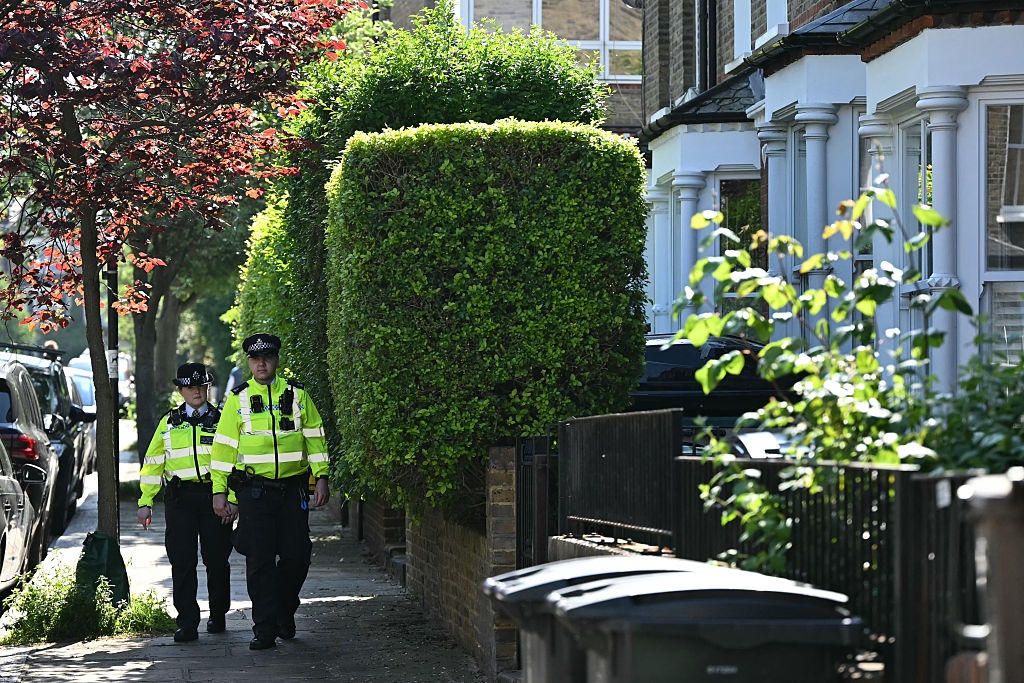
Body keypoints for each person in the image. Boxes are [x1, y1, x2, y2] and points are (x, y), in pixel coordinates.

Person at [210, 333, 330, 650]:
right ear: (249, 362)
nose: (261, 363)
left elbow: (315, 437)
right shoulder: (237, 399)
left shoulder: (298, 395)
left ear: (276, 360)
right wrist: (219, 491)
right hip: (255, 492)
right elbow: (223, 449)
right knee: (260, 560)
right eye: (255, 358)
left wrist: (322, 476)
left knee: (297, 556)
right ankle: (264, 628)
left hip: (293, 491)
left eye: (267, 357)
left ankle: (283, 611)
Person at [137, 362, 235, 643]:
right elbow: (153, 463)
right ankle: (188, 622)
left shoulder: (222, 421)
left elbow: (235, 462)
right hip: (180, 500)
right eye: (190, 387)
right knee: (182, 561)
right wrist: (146, 501)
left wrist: (232, 498)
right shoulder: (168, 423)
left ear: (208, 387)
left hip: (213, 498)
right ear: (180, 390)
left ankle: (218, 613)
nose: (197, 391)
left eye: (201, 386)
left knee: (217, 560)